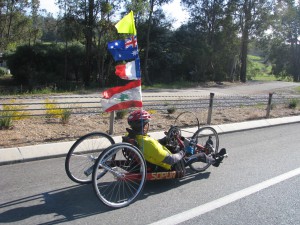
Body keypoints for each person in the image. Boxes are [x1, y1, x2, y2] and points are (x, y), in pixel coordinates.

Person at [125, 110, 226, 176]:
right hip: (172, 165)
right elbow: (171, 160)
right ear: (144, 126)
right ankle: (215, 160)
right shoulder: (147, 143)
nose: (148, 126)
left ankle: (203, 151)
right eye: (147, 124)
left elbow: (154, 146)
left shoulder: (138, 138)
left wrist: (165, 139)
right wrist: (183, 151)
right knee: (201, 155)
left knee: (176, 143)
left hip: (158, 158)